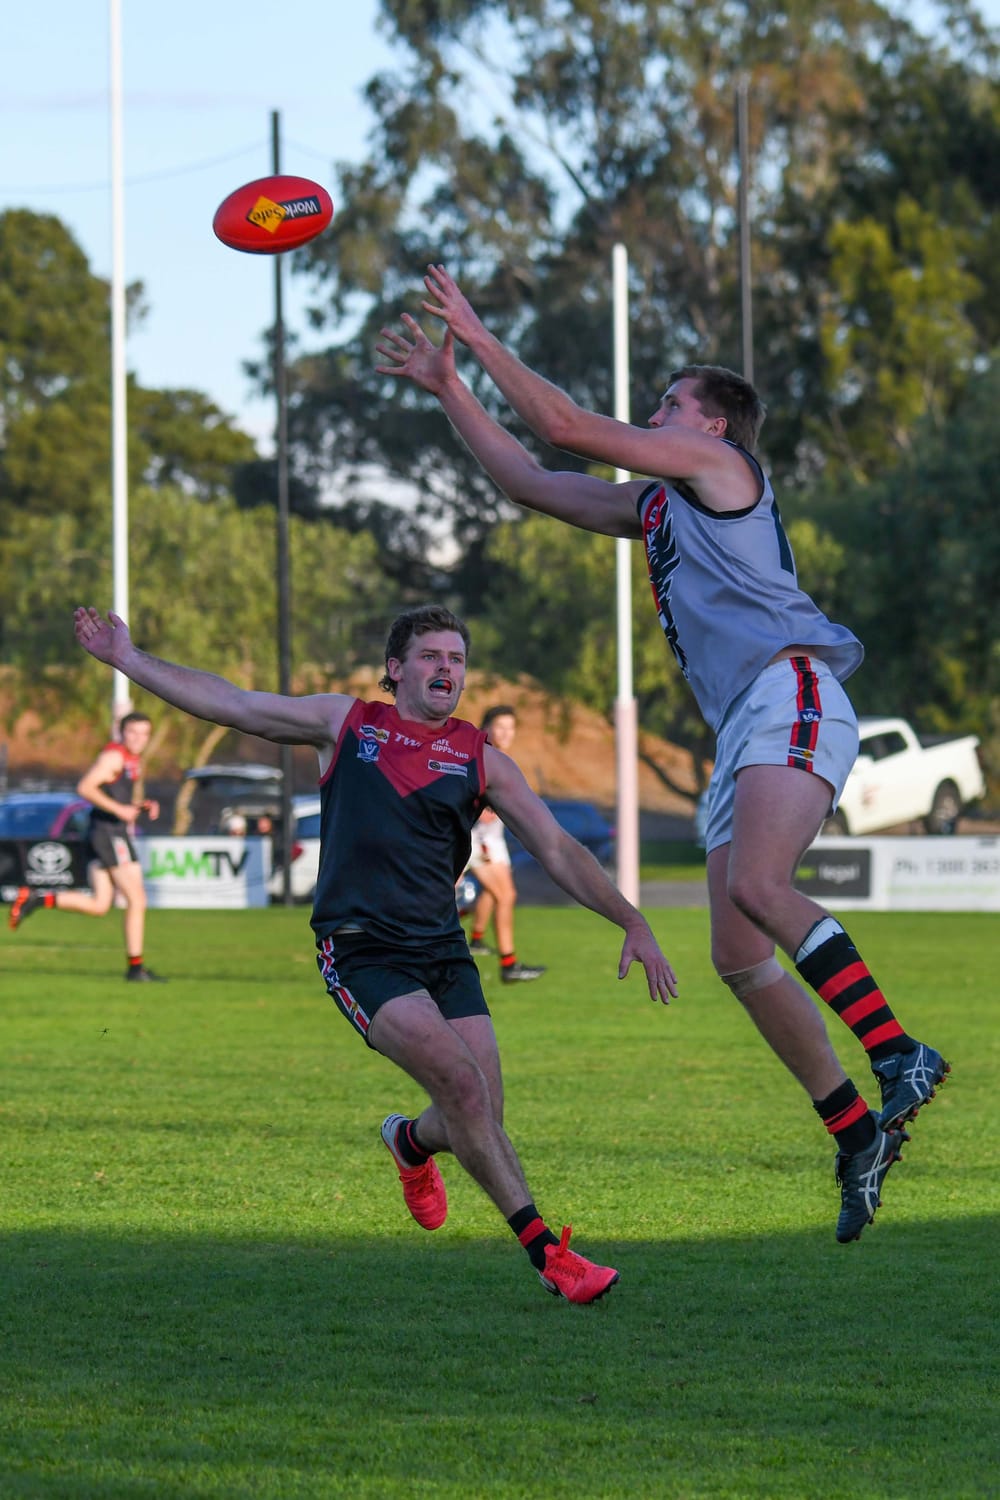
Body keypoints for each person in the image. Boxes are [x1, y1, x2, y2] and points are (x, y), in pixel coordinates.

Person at [374, 267, 950, 1245]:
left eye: (671, 404)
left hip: (790, 688)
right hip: (745, 726)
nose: (655, 415)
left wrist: (471, 330)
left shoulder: (720, 471)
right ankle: (853, 1130)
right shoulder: (654, 506)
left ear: (712, 429)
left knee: (762, 890)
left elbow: (560, 423)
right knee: (735, 952)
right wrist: (449, 390)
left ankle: (898, 1053)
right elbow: (526, 478)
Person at [70, 602, 677, 1302]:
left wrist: (631, 920)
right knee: (463, 1085)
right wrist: (129, 659)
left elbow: (558, 849)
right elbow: (234, 704)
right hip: (361, 950)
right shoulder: (347, 723)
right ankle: (549, 1257)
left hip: (443, 950)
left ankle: (411, 1143)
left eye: (456, 658)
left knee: (478, 1113)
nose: (445, 667)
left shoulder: (481, 757)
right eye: (430, 656)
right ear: (396, 669)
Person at [8, 711, 166, 982]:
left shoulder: (131, 758)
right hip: (109, 833)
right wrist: (120, 809)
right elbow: (85, 787)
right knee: (137, 899)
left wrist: (139, 806)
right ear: (121, 732)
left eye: (144, 734)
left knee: (99, 904)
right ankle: (135, 968)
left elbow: (115, 795)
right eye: (133, 733)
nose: (139, 739)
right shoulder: (113, 757)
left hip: (104, 831)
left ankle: (37, 898)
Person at [466, 704, 546, 984]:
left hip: (491, 839)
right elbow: (483, 809)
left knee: (496, 893)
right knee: (504, 895)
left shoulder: (501, 758)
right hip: (476, 840)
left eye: (511, 728)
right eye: (500, 727)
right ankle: (508, 964)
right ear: (486, 727)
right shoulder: (481, 757)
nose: (506, 733)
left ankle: (477, 939)